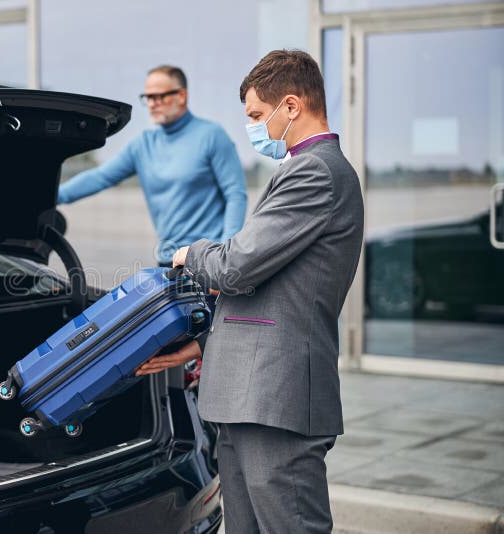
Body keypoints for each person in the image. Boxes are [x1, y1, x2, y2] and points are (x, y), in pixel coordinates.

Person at [137, 50, 364, 533]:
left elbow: (237, 266)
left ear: (291, 106)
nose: (254, 128)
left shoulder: (316, 171)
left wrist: (190, 253)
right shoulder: (301, 169)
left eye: (258, 116)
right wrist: (198, 345)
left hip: (274, 400)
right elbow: (275, 289)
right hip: (246, 396)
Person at [57, 65, 247, 265]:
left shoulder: (212, 135)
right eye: (148, 97)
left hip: (208, 259)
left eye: (160, 96)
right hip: (169, 260)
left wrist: (224, 254)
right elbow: (100, 177)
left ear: (181, 96)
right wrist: (50, 196)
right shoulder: (143, 145)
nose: (153, 104)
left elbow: (236, 193)